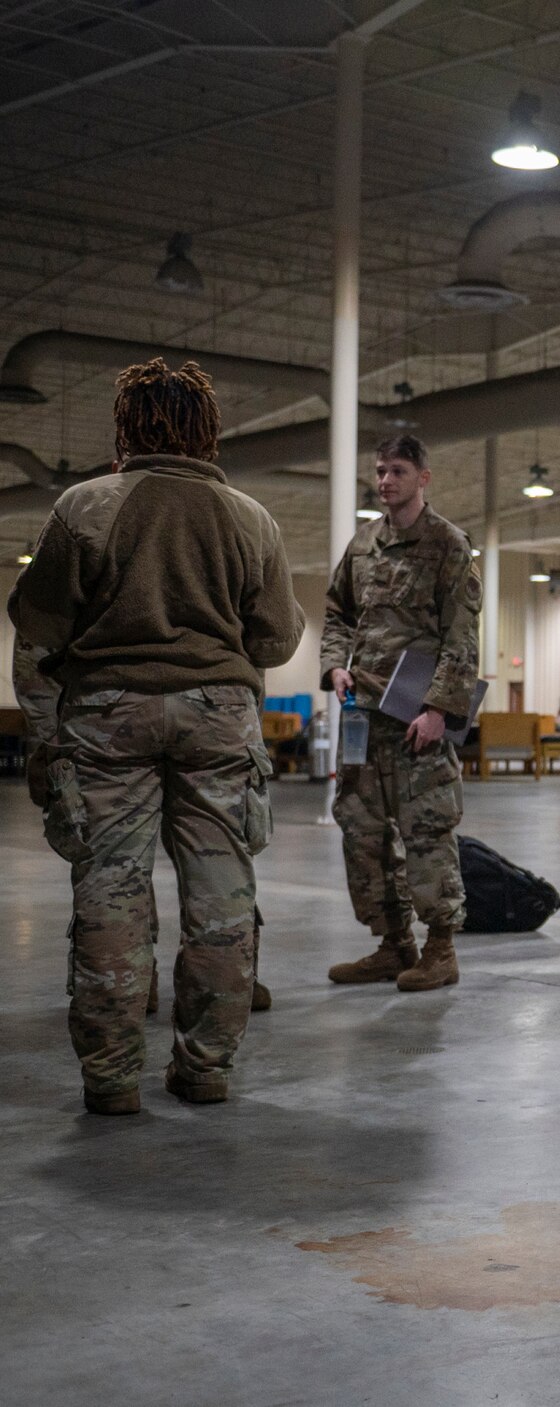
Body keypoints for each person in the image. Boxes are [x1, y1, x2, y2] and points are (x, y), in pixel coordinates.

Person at [9, 359, 303, 1113]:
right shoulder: (250, 519)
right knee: (221, 897)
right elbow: (274, 641)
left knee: (111, 892)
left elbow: (38, 624)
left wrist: (52, 732)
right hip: (217, 717)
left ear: (124, 428)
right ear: (209, 433)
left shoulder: (85, 507)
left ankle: (111, 1077)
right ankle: (204, 1066)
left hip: (109, 718)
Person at [322, 433, 481, 993]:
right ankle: (393, 944)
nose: (385, 480)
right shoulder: (362, 544)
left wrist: (439, 708)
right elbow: (337, 612)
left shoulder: (448, 545)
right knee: (361, 830)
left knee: (427, 830)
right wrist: (335, 665)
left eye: (397, 471)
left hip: (418, 715)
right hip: (363, 712)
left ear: (423, 478)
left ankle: (440, 948)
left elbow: (462, 637)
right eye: (380, 471)